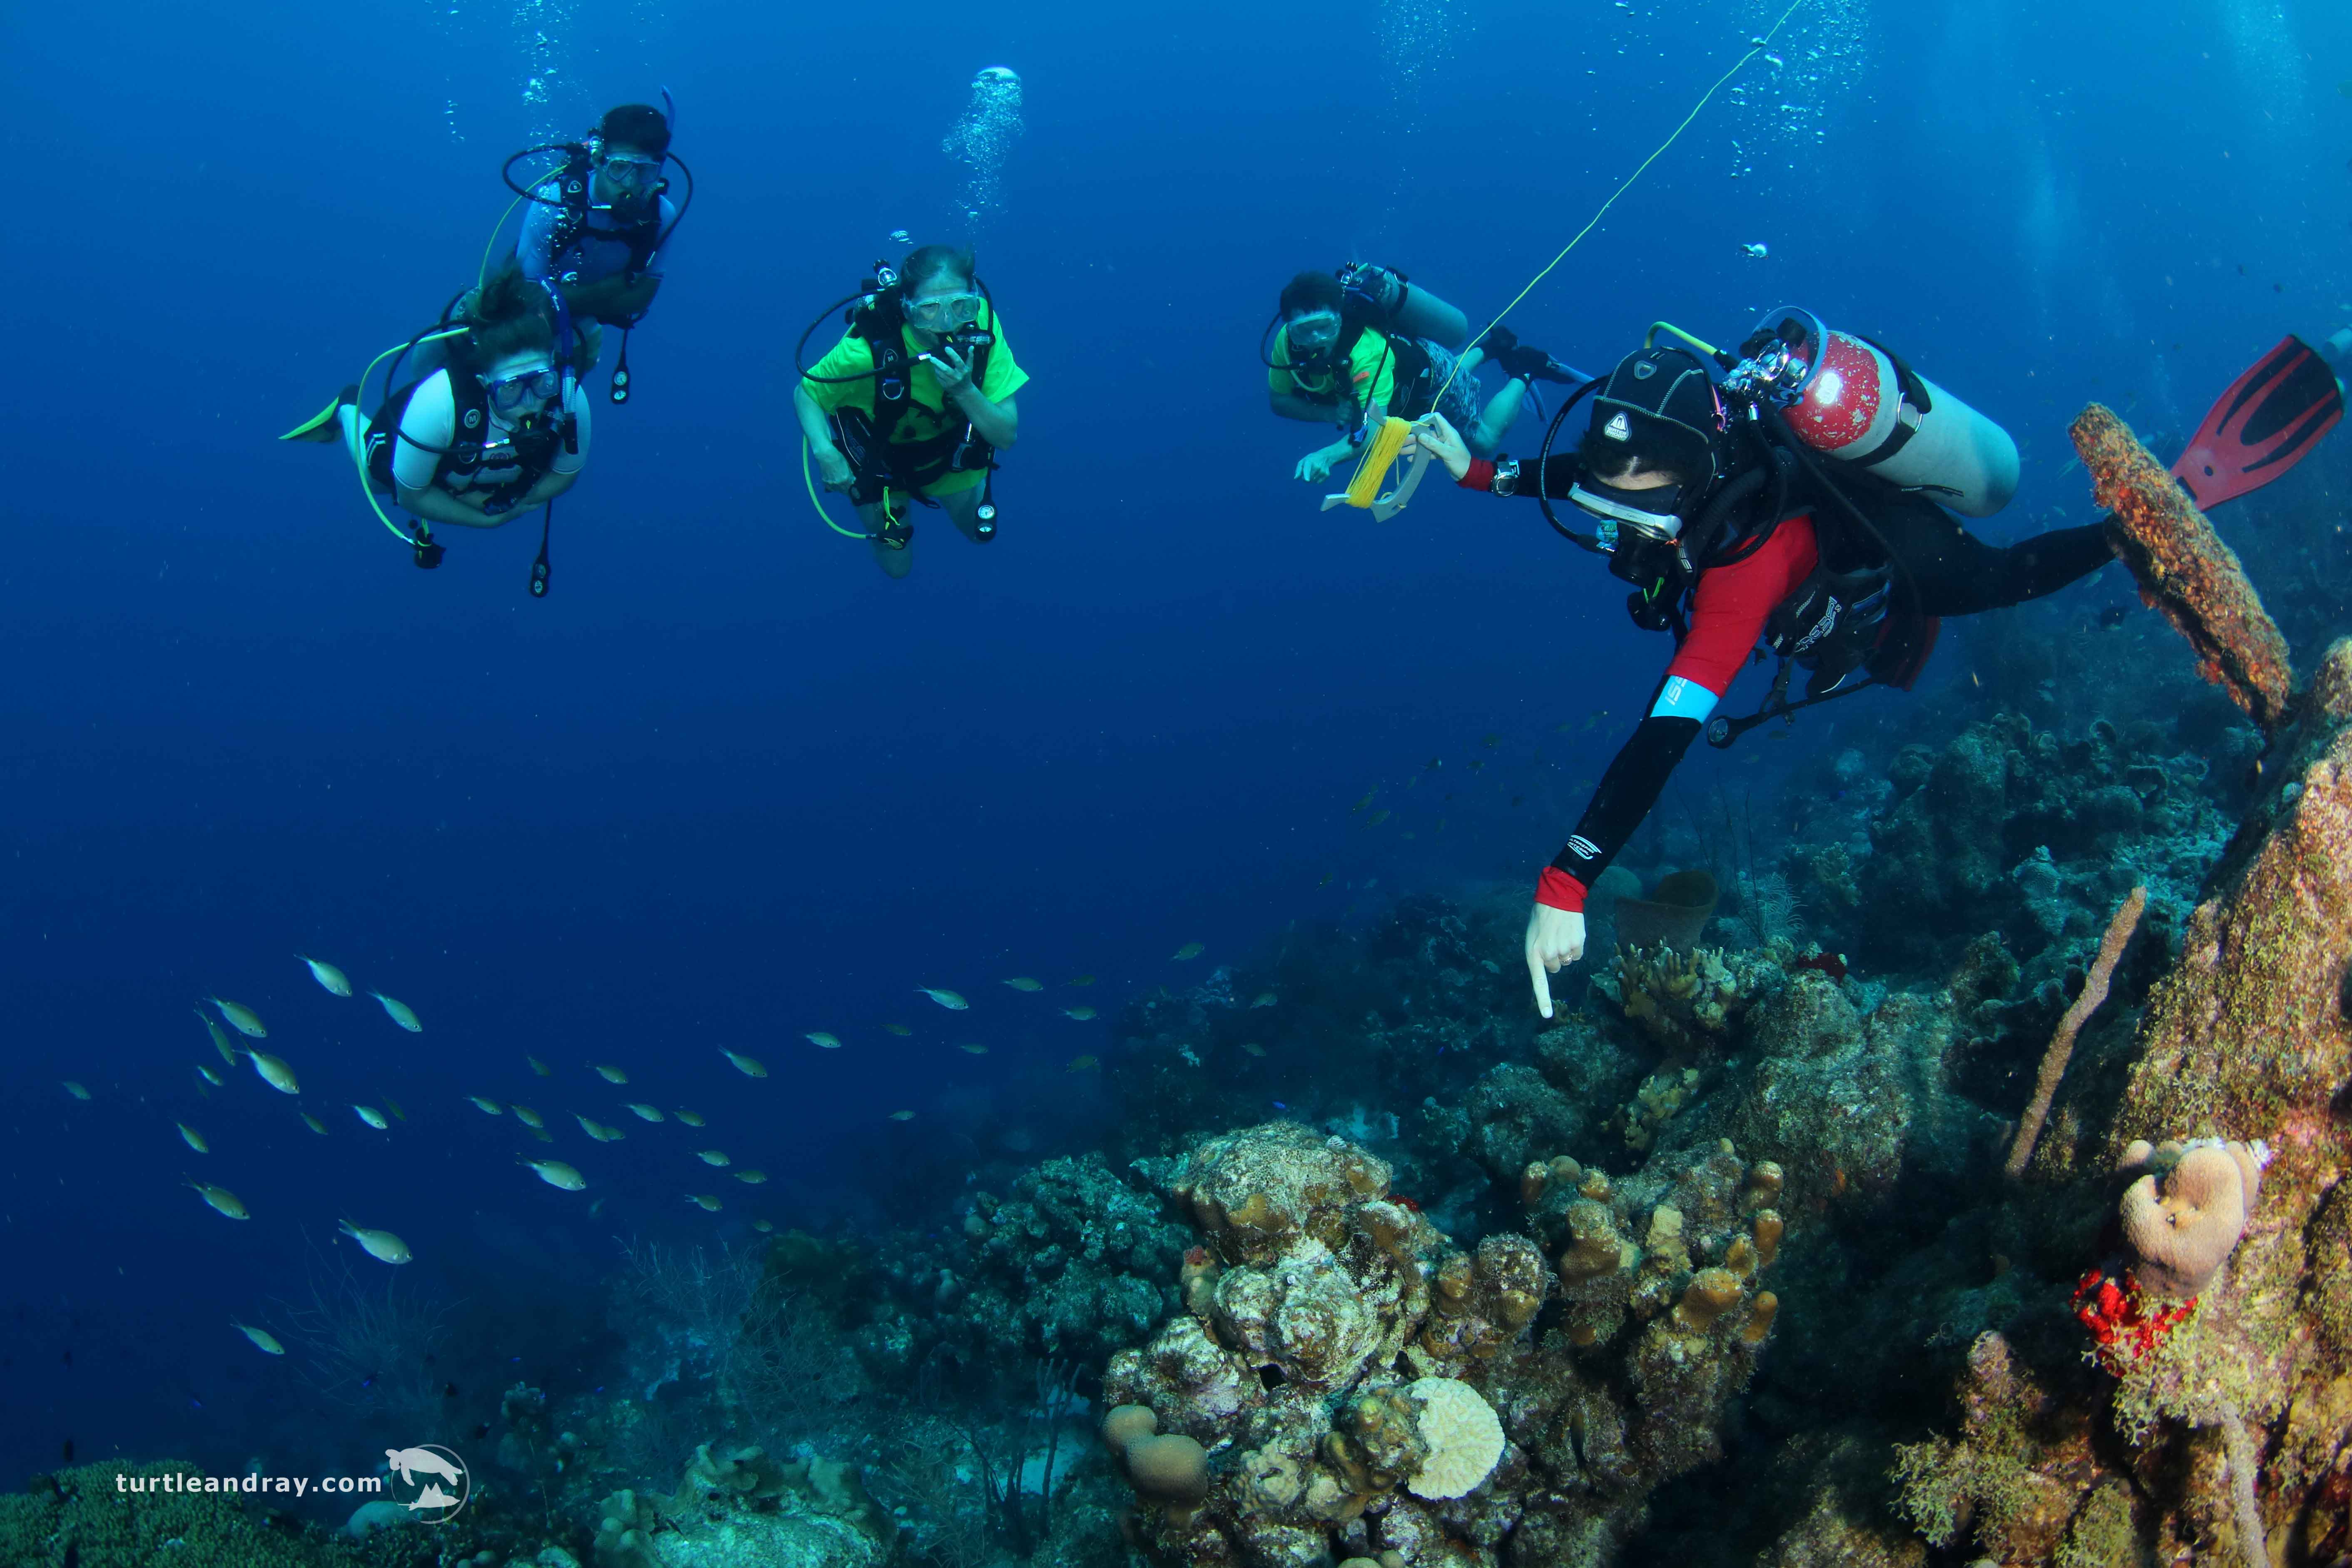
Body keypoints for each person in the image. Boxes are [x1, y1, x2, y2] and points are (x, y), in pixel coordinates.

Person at [1406, 343, 2120, 1015]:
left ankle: (2123, 533)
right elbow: (1574, 474)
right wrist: (1476, 471)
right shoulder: (1654, 462)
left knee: (1991, 582)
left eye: (1640, 508)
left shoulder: (1741, 575)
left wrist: (1565, 883)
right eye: (1606, 497)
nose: (1617, 521)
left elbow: (1661, 738)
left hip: (1869, 531)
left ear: (1693, 483)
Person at [282, 262, 592, 565]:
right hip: (426, 429)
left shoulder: (568, 398)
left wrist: (508, 502)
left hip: (474, 474)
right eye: (510, 390)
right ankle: (346, 408)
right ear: (485, 384)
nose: (530, 402)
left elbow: (565, 475)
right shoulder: (438, 403)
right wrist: (488, 520)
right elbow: (411, 496)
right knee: (375, 477)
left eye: (542, 382)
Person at [794, 245, 1026, 579]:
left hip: (947, 455)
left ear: (974, 299)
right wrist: (824, 451)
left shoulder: (983, 327)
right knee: (897, 569)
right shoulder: (864, 353)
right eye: (929, 309)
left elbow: (1005, 437)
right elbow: (807, 392)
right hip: (882, 467)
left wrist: (964, 390)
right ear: (907, 307)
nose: (947, 323)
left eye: (960, 305)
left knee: (979, 535)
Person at [1268, 267, 1578, 485]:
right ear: (1288, 327)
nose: (1317, 340)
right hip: (1407, 378)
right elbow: (1279, 401)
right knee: (1446, 378)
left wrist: (1327, 456)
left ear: (1340, 315)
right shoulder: (1286, 344)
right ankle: (1492, 346)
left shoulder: (1367, 352)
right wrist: (1329, 413)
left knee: (1483, 442)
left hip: (1429, 377)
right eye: (1304, 331)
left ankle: (1525, 369)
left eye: (1326, 326)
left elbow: (1373, 431)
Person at [515, 101, 684, 381]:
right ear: (598, 159)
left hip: (579, 330)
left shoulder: (662, 216)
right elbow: (528, 299)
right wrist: (613, 289)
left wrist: (566, 300)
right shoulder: (554, 203)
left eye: (645, 172)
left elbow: (641, 299)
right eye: (620, 168)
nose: (630, 184)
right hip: (522, 323)